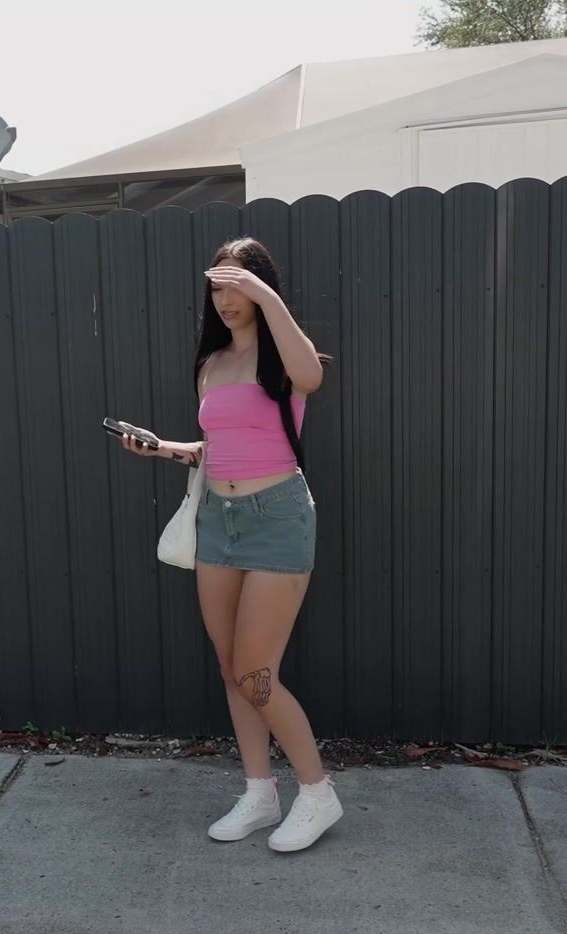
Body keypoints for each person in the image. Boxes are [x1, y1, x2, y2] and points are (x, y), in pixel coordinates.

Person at [112, 237, 340, 853]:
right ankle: (260, 792)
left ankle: (317, 792)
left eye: (238, 285)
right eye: (216, 288)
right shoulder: (211, 363)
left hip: (277, 518)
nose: (226, 299)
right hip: (218, 519)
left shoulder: (283, 356)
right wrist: (163, 448)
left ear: (261, 288)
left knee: (254, 671)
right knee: (230, 668)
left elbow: (312, 378)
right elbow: (219, 448)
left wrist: (264, 295)